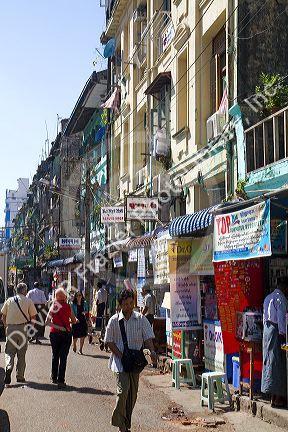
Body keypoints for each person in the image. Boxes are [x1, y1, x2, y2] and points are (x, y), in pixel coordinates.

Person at [104, 289, 156, 432]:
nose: (128, 306)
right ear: (120, 305)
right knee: (123, 391)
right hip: (120, 363)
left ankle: (125, 423)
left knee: (132, 396)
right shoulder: (114, 321)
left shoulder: (141, 319)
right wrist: (121, 355)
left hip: (136, 363)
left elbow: (148, 338)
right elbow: (109, 341)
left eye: (130, 303)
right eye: (125, 304)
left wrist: (152, 352)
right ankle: (120, 424)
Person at [1, 282, 37, 386]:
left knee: (9, 352)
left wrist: (6, 326)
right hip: (23, 328)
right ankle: (20, 376)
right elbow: (33, 317)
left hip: (11, 328)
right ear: (25, 291)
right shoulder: (28, 301)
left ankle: (8, 366)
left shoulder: (9, 300)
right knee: (21, 354)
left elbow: (3, 315)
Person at [262, 276, 288, 408]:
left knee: (269, 362)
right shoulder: (281, 299)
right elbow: (282, 320)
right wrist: (283, 336)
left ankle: (272, 397)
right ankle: (278, 398)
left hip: (267, 332)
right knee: (277, 363)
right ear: (284, 287)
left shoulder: (268, 297)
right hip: (276, 332)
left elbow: (264, 317)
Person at [45, 287, 77, 389]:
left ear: (56, 297)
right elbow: (73, 320)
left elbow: (47, 322)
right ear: (64, 297)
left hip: (54, 334)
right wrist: (70, 323)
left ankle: (54, 377)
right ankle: (61, 380)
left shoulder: (53, 307)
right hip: (66, 334)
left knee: (55, 355)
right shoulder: (68, 306)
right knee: (63, 358)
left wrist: (58, 327)